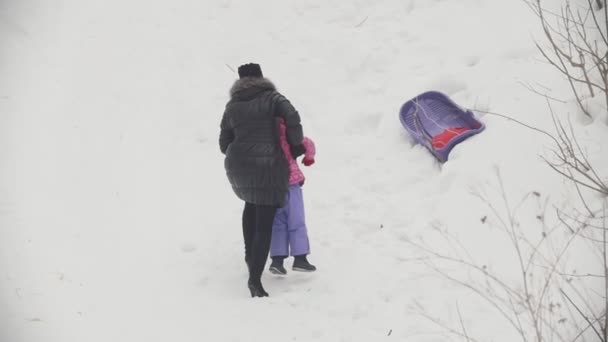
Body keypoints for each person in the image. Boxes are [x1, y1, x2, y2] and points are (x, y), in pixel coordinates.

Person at [219, 63, 305, 297]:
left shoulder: (232, 106)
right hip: (269, 166)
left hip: (240, 166)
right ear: (260, 76)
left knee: (250, 205)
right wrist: (296, 145)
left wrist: (240, 152)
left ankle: (250, 258)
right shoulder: (273, 98)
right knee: (264, 221)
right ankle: (254, 280)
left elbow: (223, 143)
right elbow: (293, 117)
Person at [268, 119, 317, 275]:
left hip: (272, 186)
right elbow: (308, 143)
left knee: (278, 224)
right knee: (296, 221)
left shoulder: (263, 134)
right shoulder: (290, 132)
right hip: (292, 183)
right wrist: (309, 158)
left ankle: (277, 261)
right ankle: (300, 259)